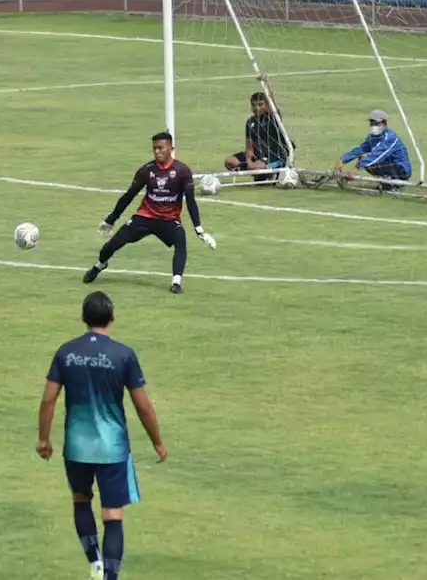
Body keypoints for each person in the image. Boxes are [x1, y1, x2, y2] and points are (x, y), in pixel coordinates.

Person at [37, 292, 166, 580]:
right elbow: (143, 405)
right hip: (113, 447)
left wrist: (44, 439)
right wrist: (157, 441)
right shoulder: (123, 354)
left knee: (80, 499)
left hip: (77, 445)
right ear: (112, 317)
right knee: (112, 515)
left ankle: (94, 562)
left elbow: (48, 400)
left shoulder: (65, 352)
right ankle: (110, 576)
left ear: (84, 317)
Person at [84, 132, 216, 295]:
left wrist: (199, 229)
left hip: (169, 220)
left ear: (171, 148)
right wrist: (111, 219)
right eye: (154, 149)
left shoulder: (182, 171)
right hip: (145, 217)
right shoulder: (147, 170)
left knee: (181, 240)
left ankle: (176, 282)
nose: (157, 152)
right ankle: (100, 264)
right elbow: (129, 195)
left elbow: (190, 201)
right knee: (111, 245)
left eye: (160, 148)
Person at [224, 77, 291, 180]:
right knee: (229, 161)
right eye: (254, 105)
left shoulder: (272, 117)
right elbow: (249, 149)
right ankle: (261, 173)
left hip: (274, 156)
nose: (257, 108)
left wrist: (265, 83)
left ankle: (268, 172)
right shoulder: (250, 122)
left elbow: (271, 100)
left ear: (267, 105)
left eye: (260, 105)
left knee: (255, 167)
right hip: (258, 155)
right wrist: (249, 161)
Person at [337, 109, 413, 186]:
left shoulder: (390, 137)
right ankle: (386, 182)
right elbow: (362, 149)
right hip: (386, 164)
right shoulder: (372, 136)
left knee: (366, 158)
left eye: (376, 123)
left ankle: (393, 183)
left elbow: (377, 155)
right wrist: (344, 159)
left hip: (401, 169)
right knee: (363, 156)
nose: (374, 126)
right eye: (371, 123)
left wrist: (356, 169)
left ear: (384, 123)